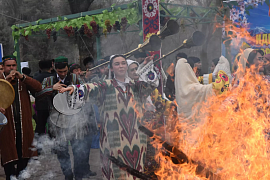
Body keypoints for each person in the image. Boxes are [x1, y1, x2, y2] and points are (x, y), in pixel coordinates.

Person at [60, 54, 159, 180]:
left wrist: (146, 66)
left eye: (123, 63)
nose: (121, 66)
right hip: (113, 140)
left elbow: (153, 83)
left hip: (136, 139)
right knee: (117, 172)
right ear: (111, 68)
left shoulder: (136, 86)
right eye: (117, 64)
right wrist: (74, 89)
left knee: (136, 172)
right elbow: (89, 88)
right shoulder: (105, 86)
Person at [36, 56, 96, 180]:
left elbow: (85, 92)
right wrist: (51, 89)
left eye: (64, 71)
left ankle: (79, 175)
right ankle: (68, 175)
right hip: (57, 122)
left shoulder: (75, 78)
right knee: (62, 151)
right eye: (60, 72)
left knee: (78, 150)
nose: (62, 74)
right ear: (54, 69)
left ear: (68, 68)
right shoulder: (48, 80)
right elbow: (38, 94)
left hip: (75, 120)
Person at [0, 55, 42, 180]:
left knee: (24, 155)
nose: (11, 68)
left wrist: (23, 77)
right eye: (8, 66)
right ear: (3, 67)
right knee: (9, 155)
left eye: (13, 65)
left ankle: (20, 175)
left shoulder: (23, 80)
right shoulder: (1, 80)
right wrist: (6, 81)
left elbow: (38, 87)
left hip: (24, 124)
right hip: (7, 126)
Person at [33, 60, 53, 135]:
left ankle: (39, 144)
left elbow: (33, 91)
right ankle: (53, 143)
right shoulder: (53, 77)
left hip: (40, 105)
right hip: (53, 105)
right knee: (52, 126)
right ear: (51, 66)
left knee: (40, 126)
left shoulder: (36, 78)